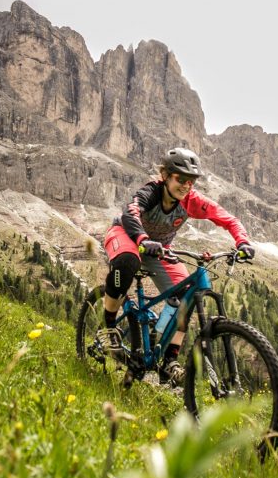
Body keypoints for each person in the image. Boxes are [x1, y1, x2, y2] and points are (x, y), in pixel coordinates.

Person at [99, 147, 256, 386]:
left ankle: (169, 360)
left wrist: (242, 241)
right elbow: (130, 213)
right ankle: (109, 325)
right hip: (127, 237)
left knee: (185, 295)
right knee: (127, 262)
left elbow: (228, 219)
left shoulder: (192, 201)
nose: (185, 185)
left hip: (158, 249)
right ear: (165, 176)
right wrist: (142, 240)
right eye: (180, 179)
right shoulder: (151, 192)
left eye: (190, 181)